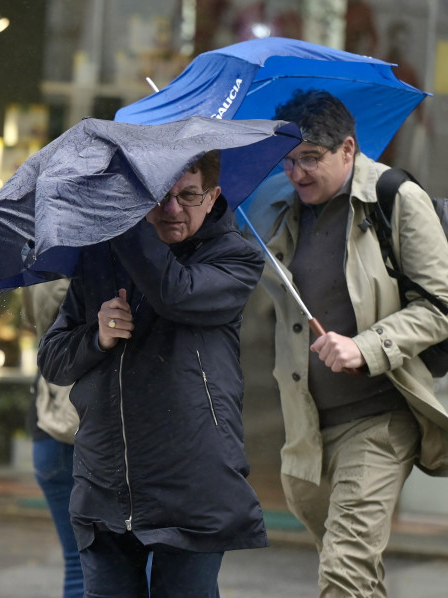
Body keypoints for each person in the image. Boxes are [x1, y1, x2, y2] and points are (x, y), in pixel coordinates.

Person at [38, 151, 268, 598]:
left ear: (213, 196)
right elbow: (53, 359)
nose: (172, 209)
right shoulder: (102, 256)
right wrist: (96, 337)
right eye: (159, 196)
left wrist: (122, 223)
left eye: (188, 195)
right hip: (107, 484)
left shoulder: (234, 259)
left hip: (192, 486)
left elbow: (174, 292)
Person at [247, 89, 448, 597]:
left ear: (348, 148)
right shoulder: (279, 207)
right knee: (352, 574)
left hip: (379, 419)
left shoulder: (394, 197)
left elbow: (441, 304)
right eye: (289, 161)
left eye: (311, 159)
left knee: (343, 571)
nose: (297, 173)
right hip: (306, 429)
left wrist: (368, 346)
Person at [21, 278, 83, 598]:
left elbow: (30, 318)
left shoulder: (40, 263)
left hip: (46, 426)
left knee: (78, 563)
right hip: (84, 434)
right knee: (125, 564)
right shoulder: (96, 268)